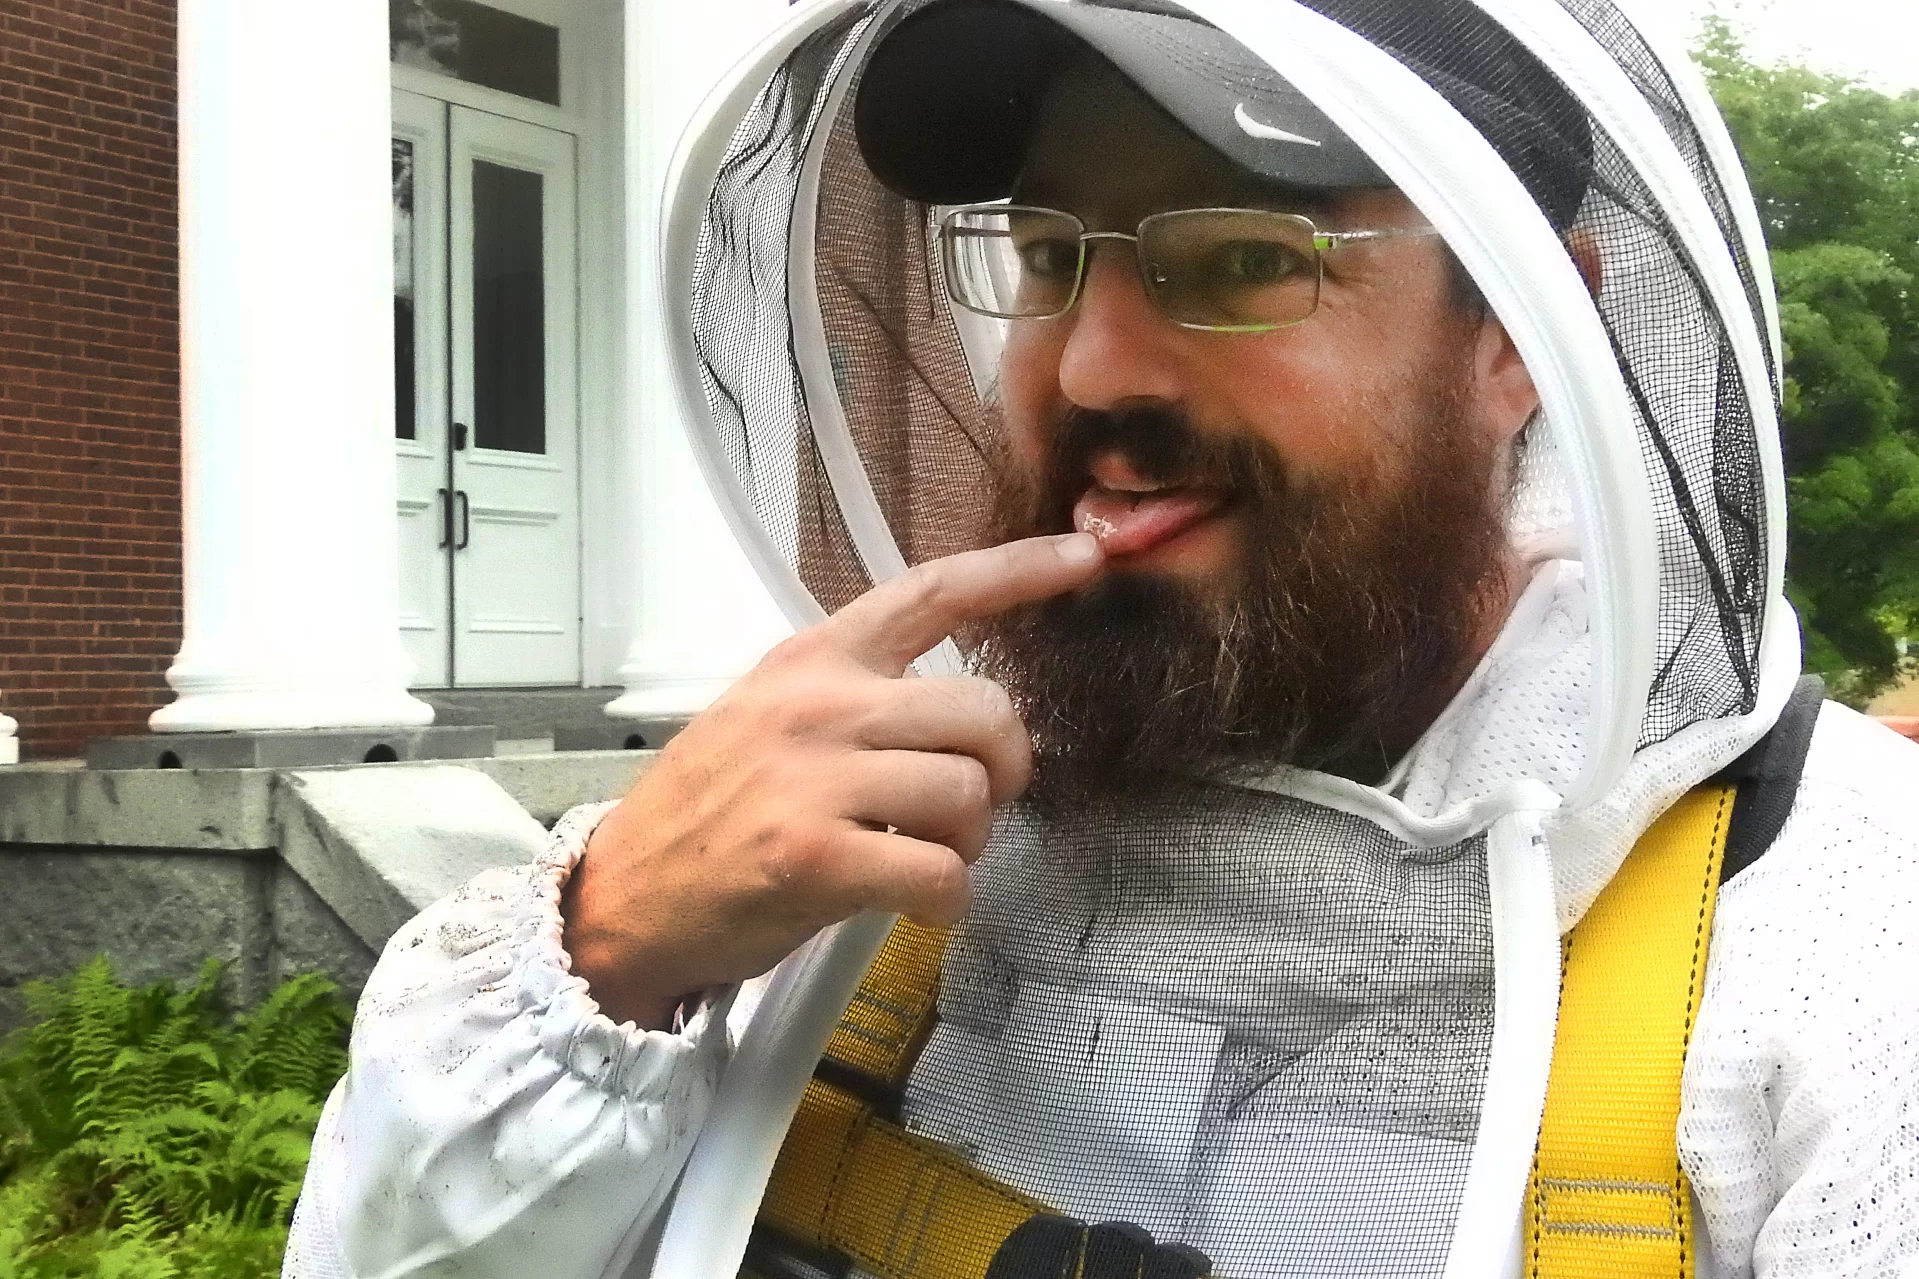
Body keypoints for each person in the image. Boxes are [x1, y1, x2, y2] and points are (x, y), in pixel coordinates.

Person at [286, 2, 1919, 1277]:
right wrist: (614, 942)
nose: (1085, 371)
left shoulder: (1845, 941)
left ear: (1513, 334)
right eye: (1050, 258)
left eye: (1241, 262)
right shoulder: (816, 849)